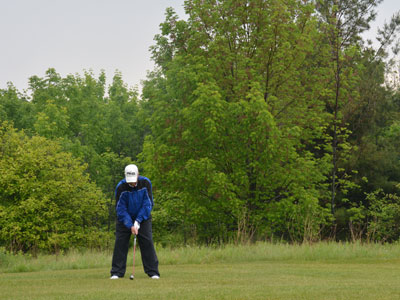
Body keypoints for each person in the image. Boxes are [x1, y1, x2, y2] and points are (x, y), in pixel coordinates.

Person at [110, 164, 160, 279]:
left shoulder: (145, 183)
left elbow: (148, 204)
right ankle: (117, 272)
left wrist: (138, 221)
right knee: (120, 243)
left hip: (143, 217)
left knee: (147, 241)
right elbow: (120, 209)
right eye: (129, 181)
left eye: (133, 180)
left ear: (138, 175)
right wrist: (129, 224)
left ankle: (153, 272)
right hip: (125, 218)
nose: (132, 184)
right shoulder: (121, 187)